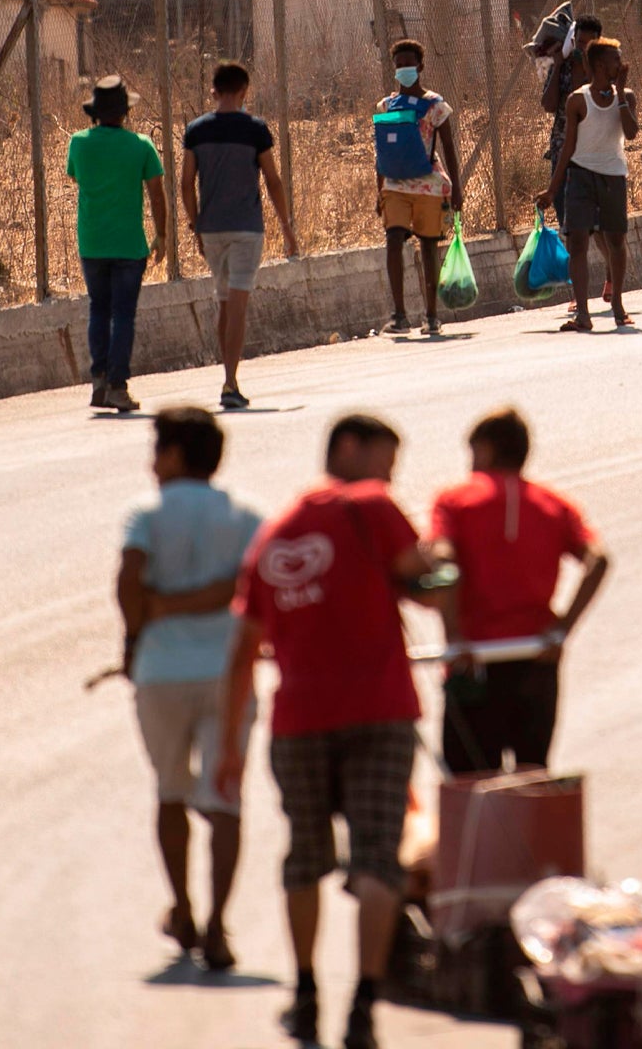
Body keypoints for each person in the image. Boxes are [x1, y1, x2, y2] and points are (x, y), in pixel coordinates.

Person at [216, 413, 449, 1049]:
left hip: (299, 723)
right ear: (351, 448)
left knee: (305, 857)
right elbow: (422, 581)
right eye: (386, 460)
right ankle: (365, 1005)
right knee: (378, 857)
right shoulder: (372, 505)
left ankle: (307, 993)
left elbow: (243, 650)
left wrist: (230, 746)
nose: (390, 475)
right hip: (380, 711)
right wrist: (444, 563)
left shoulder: (273, 535)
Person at [116, 407, 262, 972]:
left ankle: (182, 907)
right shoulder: (246, 516)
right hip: (229, 672)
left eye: (157, 449)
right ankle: (220, 924)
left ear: (174, 455)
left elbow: (129, 581)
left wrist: (141, 628)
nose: (151, 462)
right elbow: (251, 586)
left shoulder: (145, 514)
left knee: (170, 793)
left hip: (161, 673)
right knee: (226, 797)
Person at [430, 408, 611, 776]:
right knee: (532, 775)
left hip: (475, 659)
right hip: (536, 657)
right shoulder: (554, 504)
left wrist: (453, 634)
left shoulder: (455, 501)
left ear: (486, 449)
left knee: (471, 783)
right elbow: (599, 560)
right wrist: (563, 628)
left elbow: (444, 562)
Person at [181, 62, 296, 410]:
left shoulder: (196, 131)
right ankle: (230, 383)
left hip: (212, 228)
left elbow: (186, 183)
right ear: (244, 90)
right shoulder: (255, 129)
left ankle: (228, 378)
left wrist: (195, 223)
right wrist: (287, 227)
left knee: (225, 303)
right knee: (239, 306)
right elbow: (273, 181)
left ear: (213, 92)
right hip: (246, 227)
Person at [68, 76, 167, 415]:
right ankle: (117, 386)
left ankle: (98, 380)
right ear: (125, 112)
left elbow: (77, 176)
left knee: (99, 308)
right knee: (123, 314)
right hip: (129, 244)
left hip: (92, 241)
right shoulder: (141, 146)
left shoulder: (78, 144)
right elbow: (157, 194)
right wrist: (162, 234)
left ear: (95, 112)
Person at [538, 36, 637, 332]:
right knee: (577, 242)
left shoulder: (627, 96)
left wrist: (619, 93)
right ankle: (583, 313)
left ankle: (618, 305)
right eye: (614, 61)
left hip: (613, 176)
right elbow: (568, 148)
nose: (620, 65)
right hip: (581, 176)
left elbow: (630, 133)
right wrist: (552, 188)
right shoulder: (577, 100)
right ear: (598, 65)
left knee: (616, 241)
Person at [374, 38, 463, 337]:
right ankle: (399, 315)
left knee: (427, 246)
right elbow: (382, 152)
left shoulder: (436, 105)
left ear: (420, 66)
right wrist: (379, 190)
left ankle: (431, 315)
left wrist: (458, 187)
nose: (404, 69)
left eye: (409, 64)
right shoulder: (386, 105)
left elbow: (449, 147)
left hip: (428, 184)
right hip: (395, 185)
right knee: (393, 239)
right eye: (399, 65)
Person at [531, 14, 605, 230]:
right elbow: (549, 105)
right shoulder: (563, 67)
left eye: (586, 44)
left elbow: (600, 103)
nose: (580, 48)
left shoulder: (601, 71)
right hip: (562, 150)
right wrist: (559, 67)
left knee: (597, 225)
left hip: (592, 153)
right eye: (578, 42)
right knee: (568, 223)